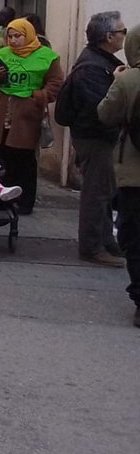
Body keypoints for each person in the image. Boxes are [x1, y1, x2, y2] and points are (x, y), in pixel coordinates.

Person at [62, 11, 127, 264]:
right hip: (95, 138)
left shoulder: (101, 61)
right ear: (109, 36)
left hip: (98, 137)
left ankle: (106, 241)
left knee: (104, 191)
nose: (124, 36)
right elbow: (99, 109)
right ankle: (92, 247)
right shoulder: (93, 67)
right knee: (96, 193)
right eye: (122, 31)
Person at [0, 17, 64, 215]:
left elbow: (55, 84)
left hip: (26, 115)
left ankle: (25, 201)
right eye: (10, 36)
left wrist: (36, 97)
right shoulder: (3, 54)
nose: (13, 40)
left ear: (28, 34)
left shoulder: (47, 56)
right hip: (3, 112)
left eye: (18, 36)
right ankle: (3, 196)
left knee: (24, 159)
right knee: (3, 155)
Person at [95, 26, 140, 325]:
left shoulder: (128, 79)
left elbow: (105, 114)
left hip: (134, 176)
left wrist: (118, 81)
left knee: (134, 237)